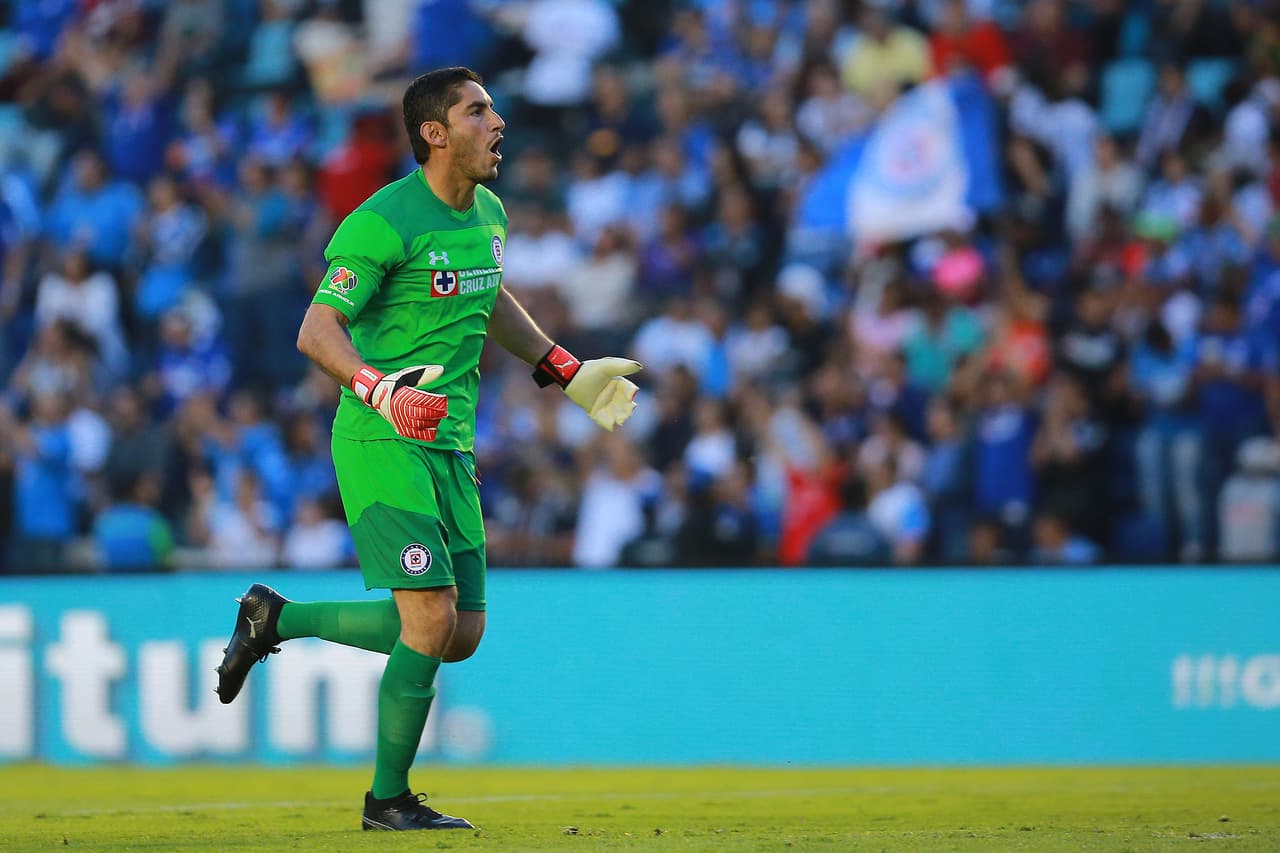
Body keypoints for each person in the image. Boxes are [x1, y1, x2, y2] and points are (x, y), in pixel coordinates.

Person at [212, 67, 641, 831]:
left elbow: (490, 293)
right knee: (430, 620)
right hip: (382, 438)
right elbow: (316, 332)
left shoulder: (491, 214)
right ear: (435, 134)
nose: (498, 122)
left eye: (494, 109)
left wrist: (562, 367)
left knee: (459, 633)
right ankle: (387, 800)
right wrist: (382, 390)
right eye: (478, 111)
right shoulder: (382, 222)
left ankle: (273, 619)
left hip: (448, 443)